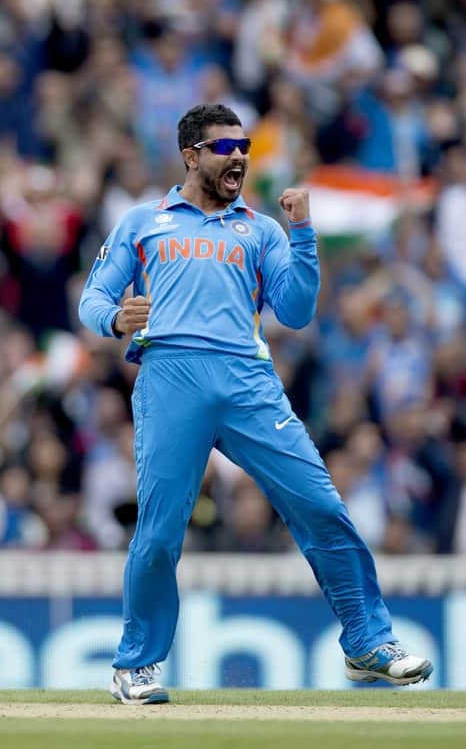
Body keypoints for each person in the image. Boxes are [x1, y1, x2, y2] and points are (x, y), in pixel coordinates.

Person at [78, 103, 433, 705]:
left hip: (248, 379)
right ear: (191, 155)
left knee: (320, 504)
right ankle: (136, 665)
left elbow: (294, 311)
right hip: (171, 375)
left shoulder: (262, 228)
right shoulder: (145, 221)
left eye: (243, 146)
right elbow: (93, 300)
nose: (239, 156)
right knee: (161, 532)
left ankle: (368, 643)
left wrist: (302, 235)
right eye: (224, 148)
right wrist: (115, 318)